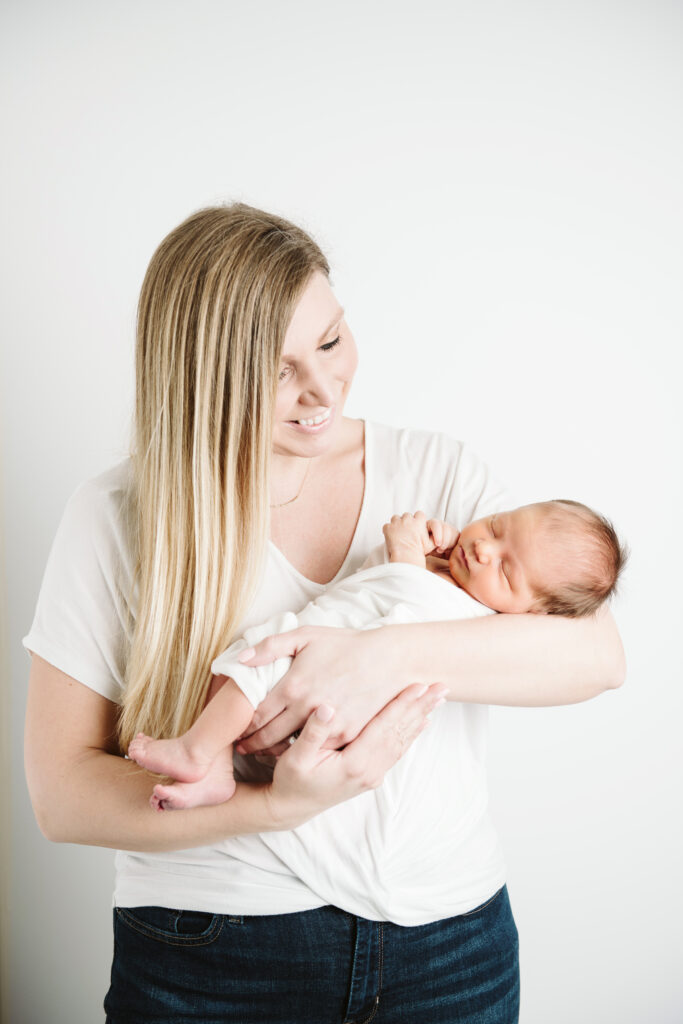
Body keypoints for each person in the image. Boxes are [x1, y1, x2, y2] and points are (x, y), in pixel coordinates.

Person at [23, 203, 626, 1024]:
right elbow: (61, 796)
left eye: (332, 342)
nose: (321, 392)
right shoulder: (119, 515)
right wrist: (270, 807)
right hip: (215, 953)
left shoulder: (436, 474)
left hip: (449, 945)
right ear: (205, 377)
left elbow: (596, 657)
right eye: (275, 372)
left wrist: (377, 657)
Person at [127, 500, 626, 813]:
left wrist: (409, 556)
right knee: (245, 658)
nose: (484, 550)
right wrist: (429, 550)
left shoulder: (472, 618)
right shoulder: (452, 569)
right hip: (313, 668)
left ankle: (196, 750)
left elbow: (404, 619)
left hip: (318, 689)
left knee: (253, 662)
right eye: (496, 527)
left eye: (507, 572)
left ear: (532, 613)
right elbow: (368, 586)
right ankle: (213, 766)